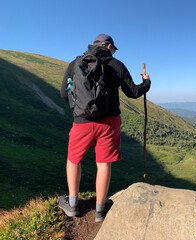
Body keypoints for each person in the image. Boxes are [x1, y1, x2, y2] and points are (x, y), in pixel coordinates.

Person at [58, 33, 151, 222]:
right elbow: (133, 92)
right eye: (113, 49)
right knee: (103, 163)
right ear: (108, 46)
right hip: (109, 123)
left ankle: (73, 204)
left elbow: (64, 94)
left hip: (82, 122)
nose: (114, 51)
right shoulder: (116, 65)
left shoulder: (75, 64)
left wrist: (80, 108)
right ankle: (100, 210)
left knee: (74, 160)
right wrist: (147, 82)